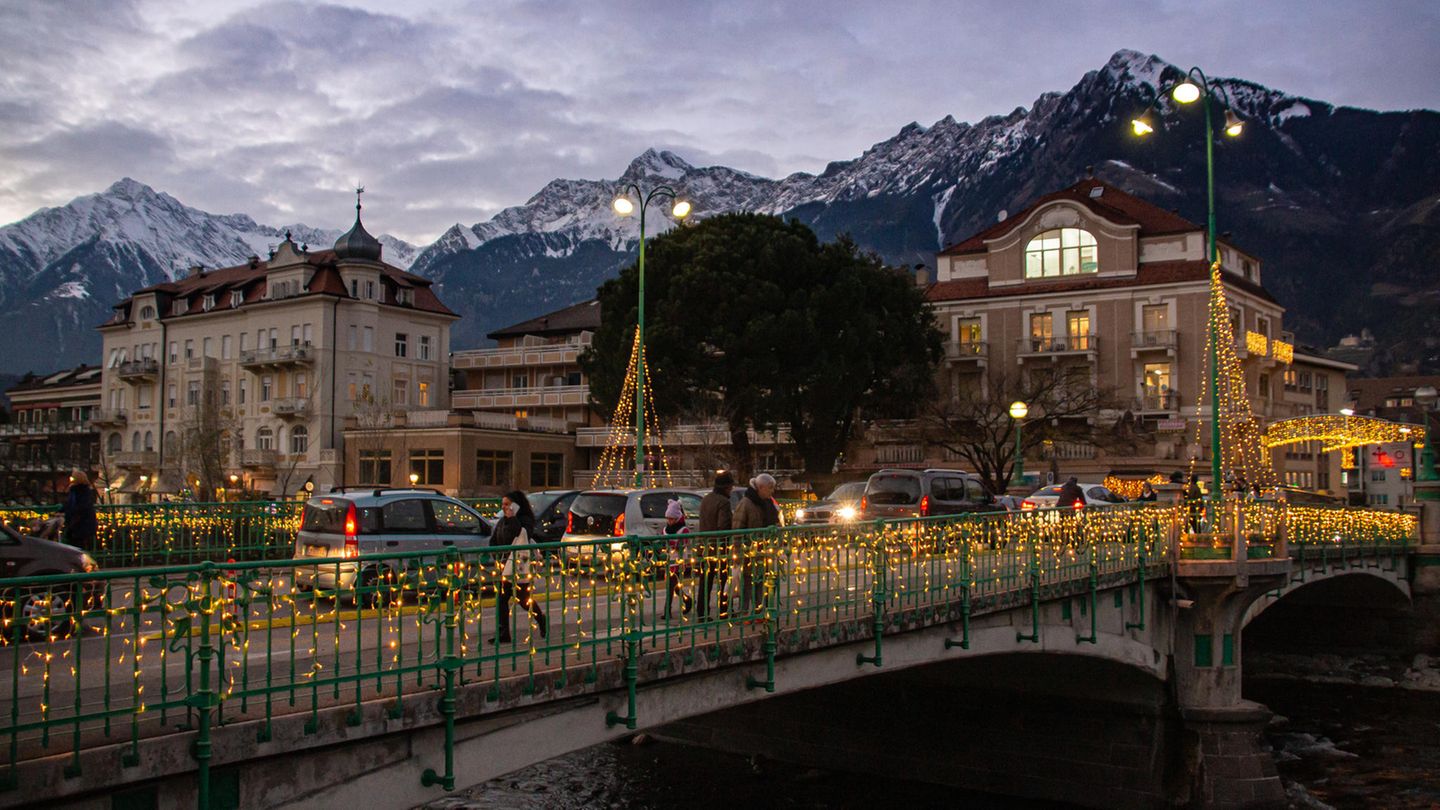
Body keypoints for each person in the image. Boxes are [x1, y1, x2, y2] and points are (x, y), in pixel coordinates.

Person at [489, 490, 547, 644]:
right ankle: (504, 633)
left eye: (507, 504)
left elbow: (522, 536)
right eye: (503, 505)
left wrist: (513, 518)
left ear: (516, 505)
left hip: (520, 565)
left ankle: (541, 619)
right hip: (505, 565)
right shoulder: (502, 521)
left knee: (523, 599)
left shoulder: (524, 520)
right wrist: (498, 557)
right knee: (502, 599)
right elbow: (494, 540)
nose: (504, 508)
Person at [733, 473, 781, 613]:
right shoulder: (746, 503)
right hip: (748, 550)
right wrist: (738, 552)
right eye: (769, 488)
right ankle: (744, 612)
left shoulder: (767, 503)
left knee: (760, 582)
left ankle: (759, 610)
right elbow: (737, 528)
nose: (772, 491)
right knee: (747, 583)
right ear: (760, 487)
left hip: (763, 550)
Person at [697, 471, 734, 619]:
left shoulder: (706, 499)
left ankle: (701, 612)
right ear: (727, 487)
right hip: (719, 547)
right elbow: (723, 526)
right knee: (724, 579)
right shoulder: (724, 502)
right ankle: (724, 610)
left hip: (704, 545)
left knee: (705, 581)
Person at [661, 500, 694, 620]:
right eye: (668, 519)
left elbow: (682, 544)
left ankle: (667, 611)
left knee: (671, 586)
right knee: (675, 588)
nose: (669, 521)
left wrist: (670, 543)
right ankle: (688, 600)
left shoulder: (683, 530)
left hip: (679, 562)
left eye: (672, 519)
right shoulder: (666, 530)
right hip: (669, 561)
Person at [61, 470, 97, 550]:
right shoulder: (75, 490)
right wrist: (61, 511)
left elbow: (81, 507)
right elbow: (69, 504)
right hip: (76, 522)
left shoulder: (83, 491)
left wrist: (68, 513)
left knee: (79, 544)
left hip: (82, 523)